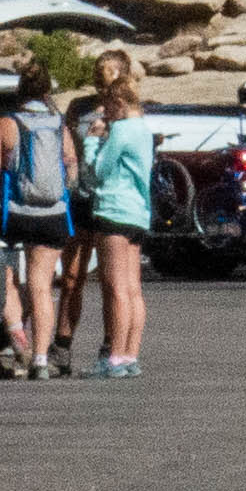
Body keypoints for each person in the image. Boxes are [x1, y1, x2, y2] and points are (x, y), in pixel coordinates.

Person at [0, 65, 76, 376]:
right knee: (41, 286)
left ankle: (19, 343)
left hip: (15, 214)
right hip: (52, 214)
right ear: (45, 92)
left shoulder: (7, 124)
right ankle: (41, 359)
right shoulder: (58, 124)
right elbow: (71, 164)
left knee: (8, 280)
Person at [78, 53, 159, 376]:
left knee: (115, 287)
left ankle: (115, 355)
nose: (106, 113)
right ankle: (130, 355)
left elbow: (100, 171)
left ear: (121, 104)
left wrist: (93, 142)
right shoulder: (144, 130)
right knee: (133, 287)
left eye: (109, 107)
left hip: (114, 209)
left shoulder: (123, 130)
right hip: (138, 211)